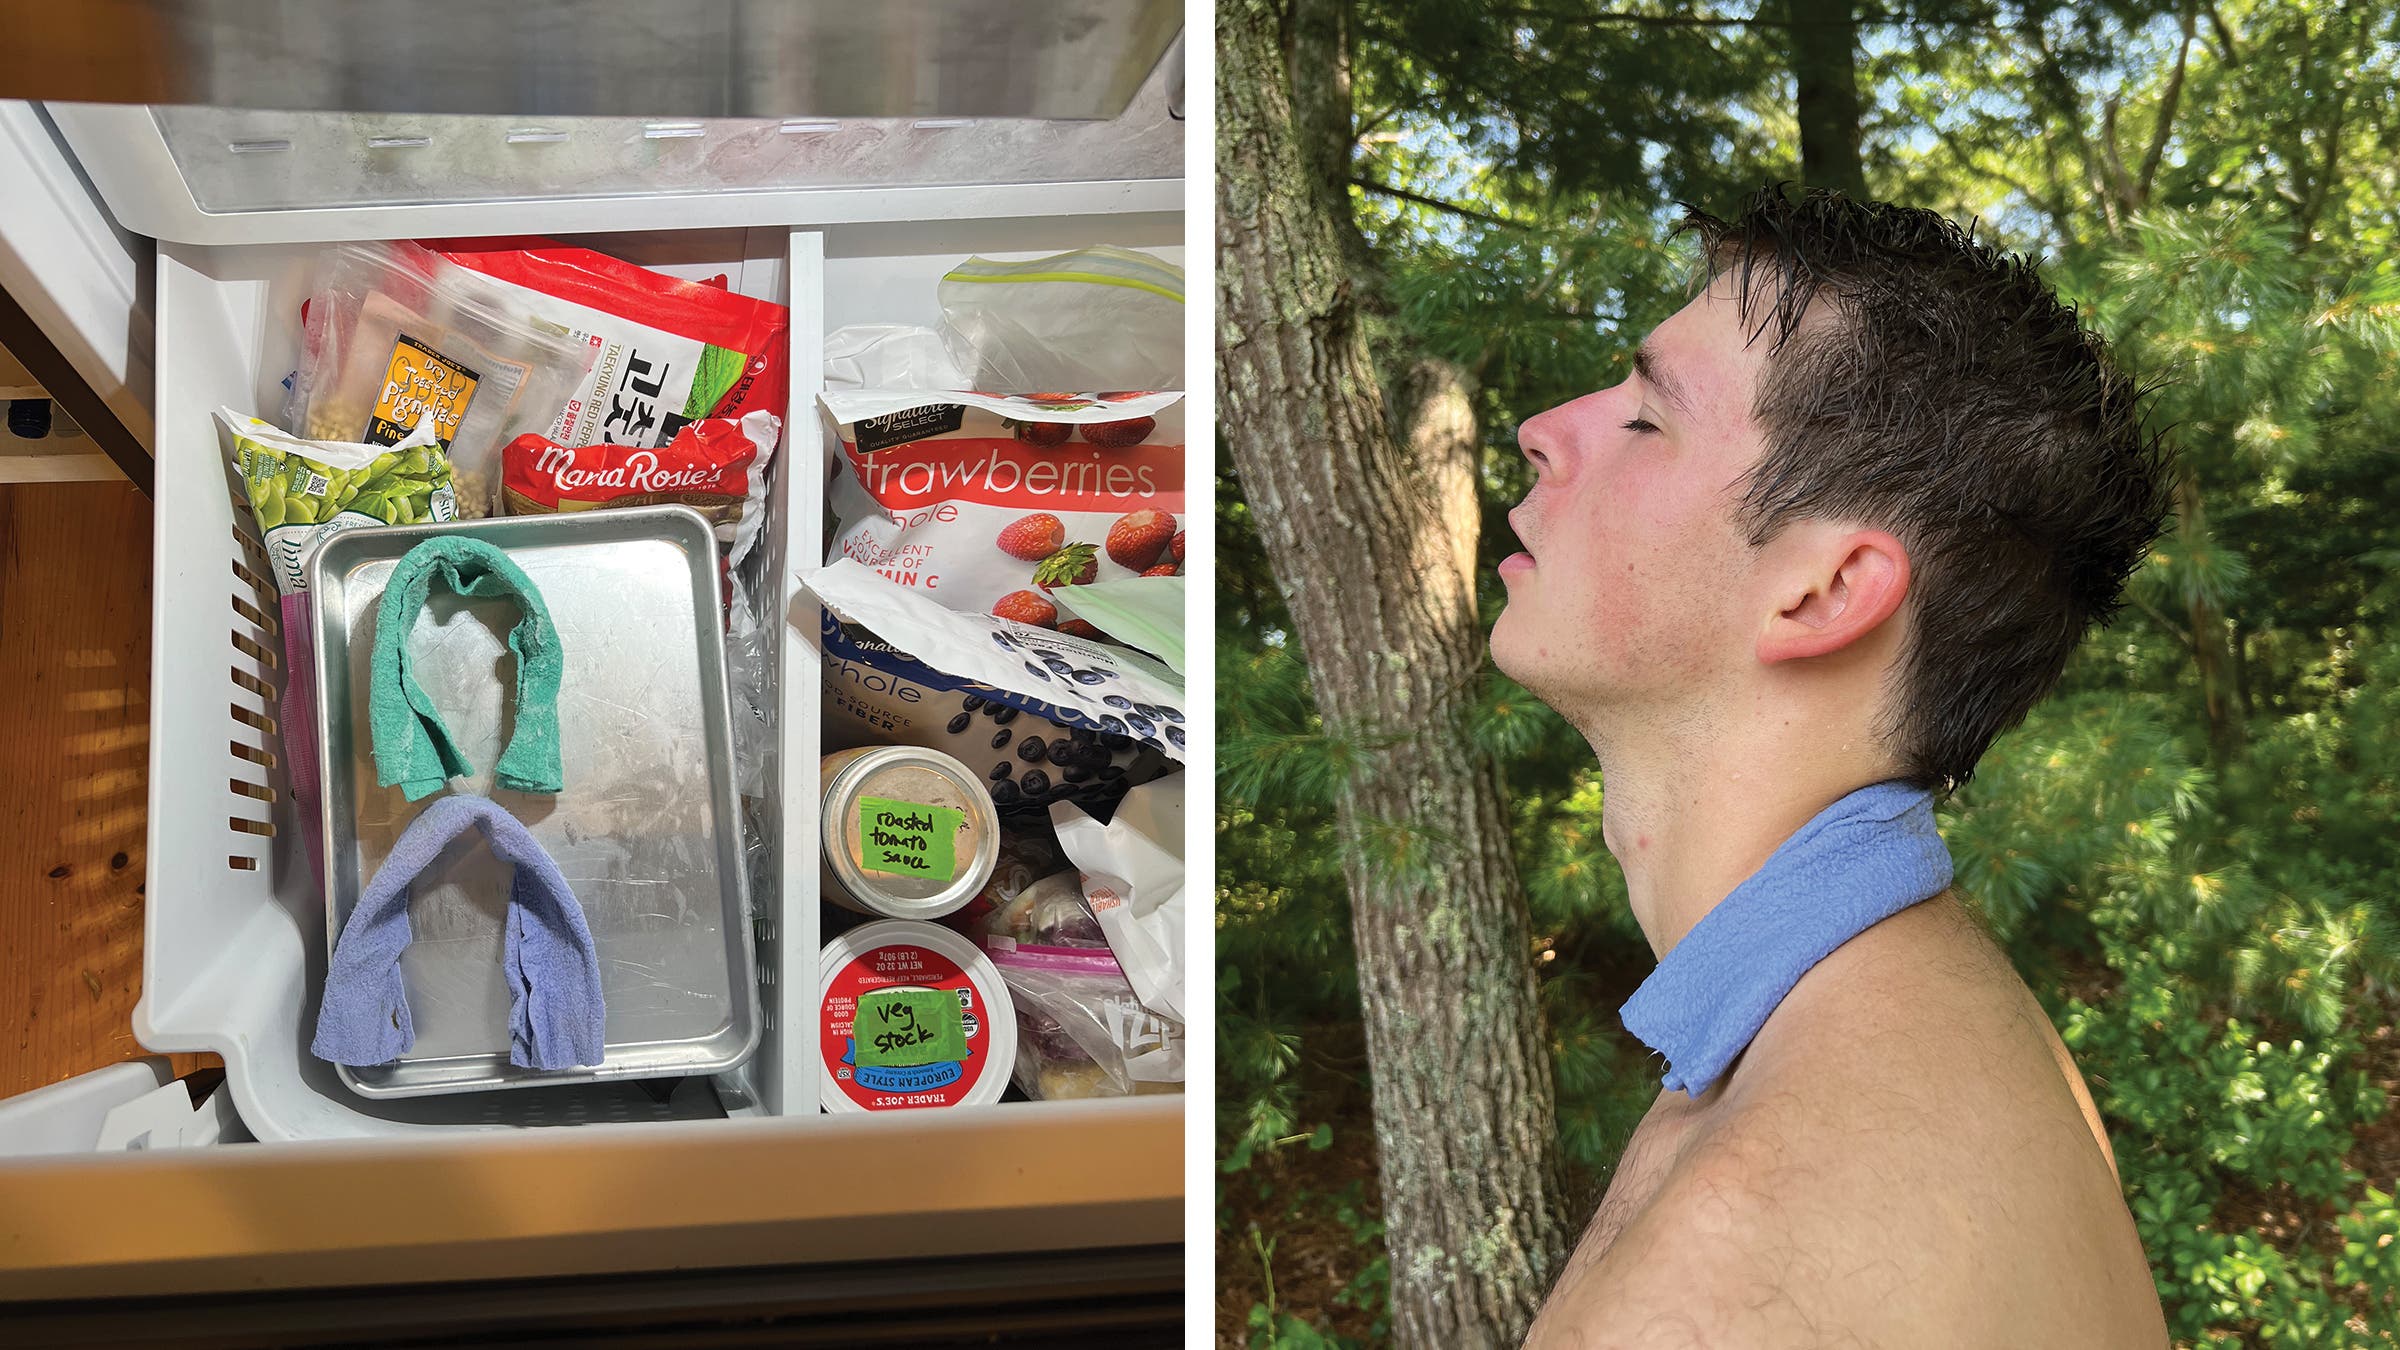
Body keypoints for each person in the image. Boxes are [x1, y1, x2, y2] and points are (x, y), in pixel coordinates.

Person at [1499, 186, 2172, 1348]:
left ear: (1824, 593)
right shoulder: (1931, 1023)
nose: (1545, 428)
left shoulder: (1725, 1278)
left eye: (1648, 420)